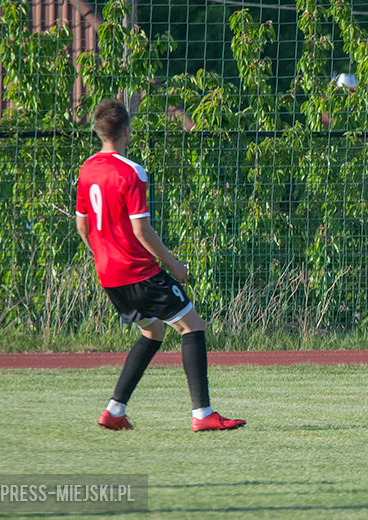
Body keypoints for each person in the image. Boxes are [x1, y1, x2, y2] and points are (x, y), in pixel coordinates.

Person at [76, 98, 245, 432]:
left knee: (152, 333)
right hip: (137, 271)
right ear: (127, 130)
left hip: (109, 274)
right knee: (192, 326)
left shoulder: (87, 169)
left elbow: (82, 227)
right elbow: (141, 229)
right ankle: (203, 415)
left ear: (98, 131)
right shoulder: (131, 171)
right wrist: (174, 265)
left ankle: (114, 410)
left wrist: (104, 258)